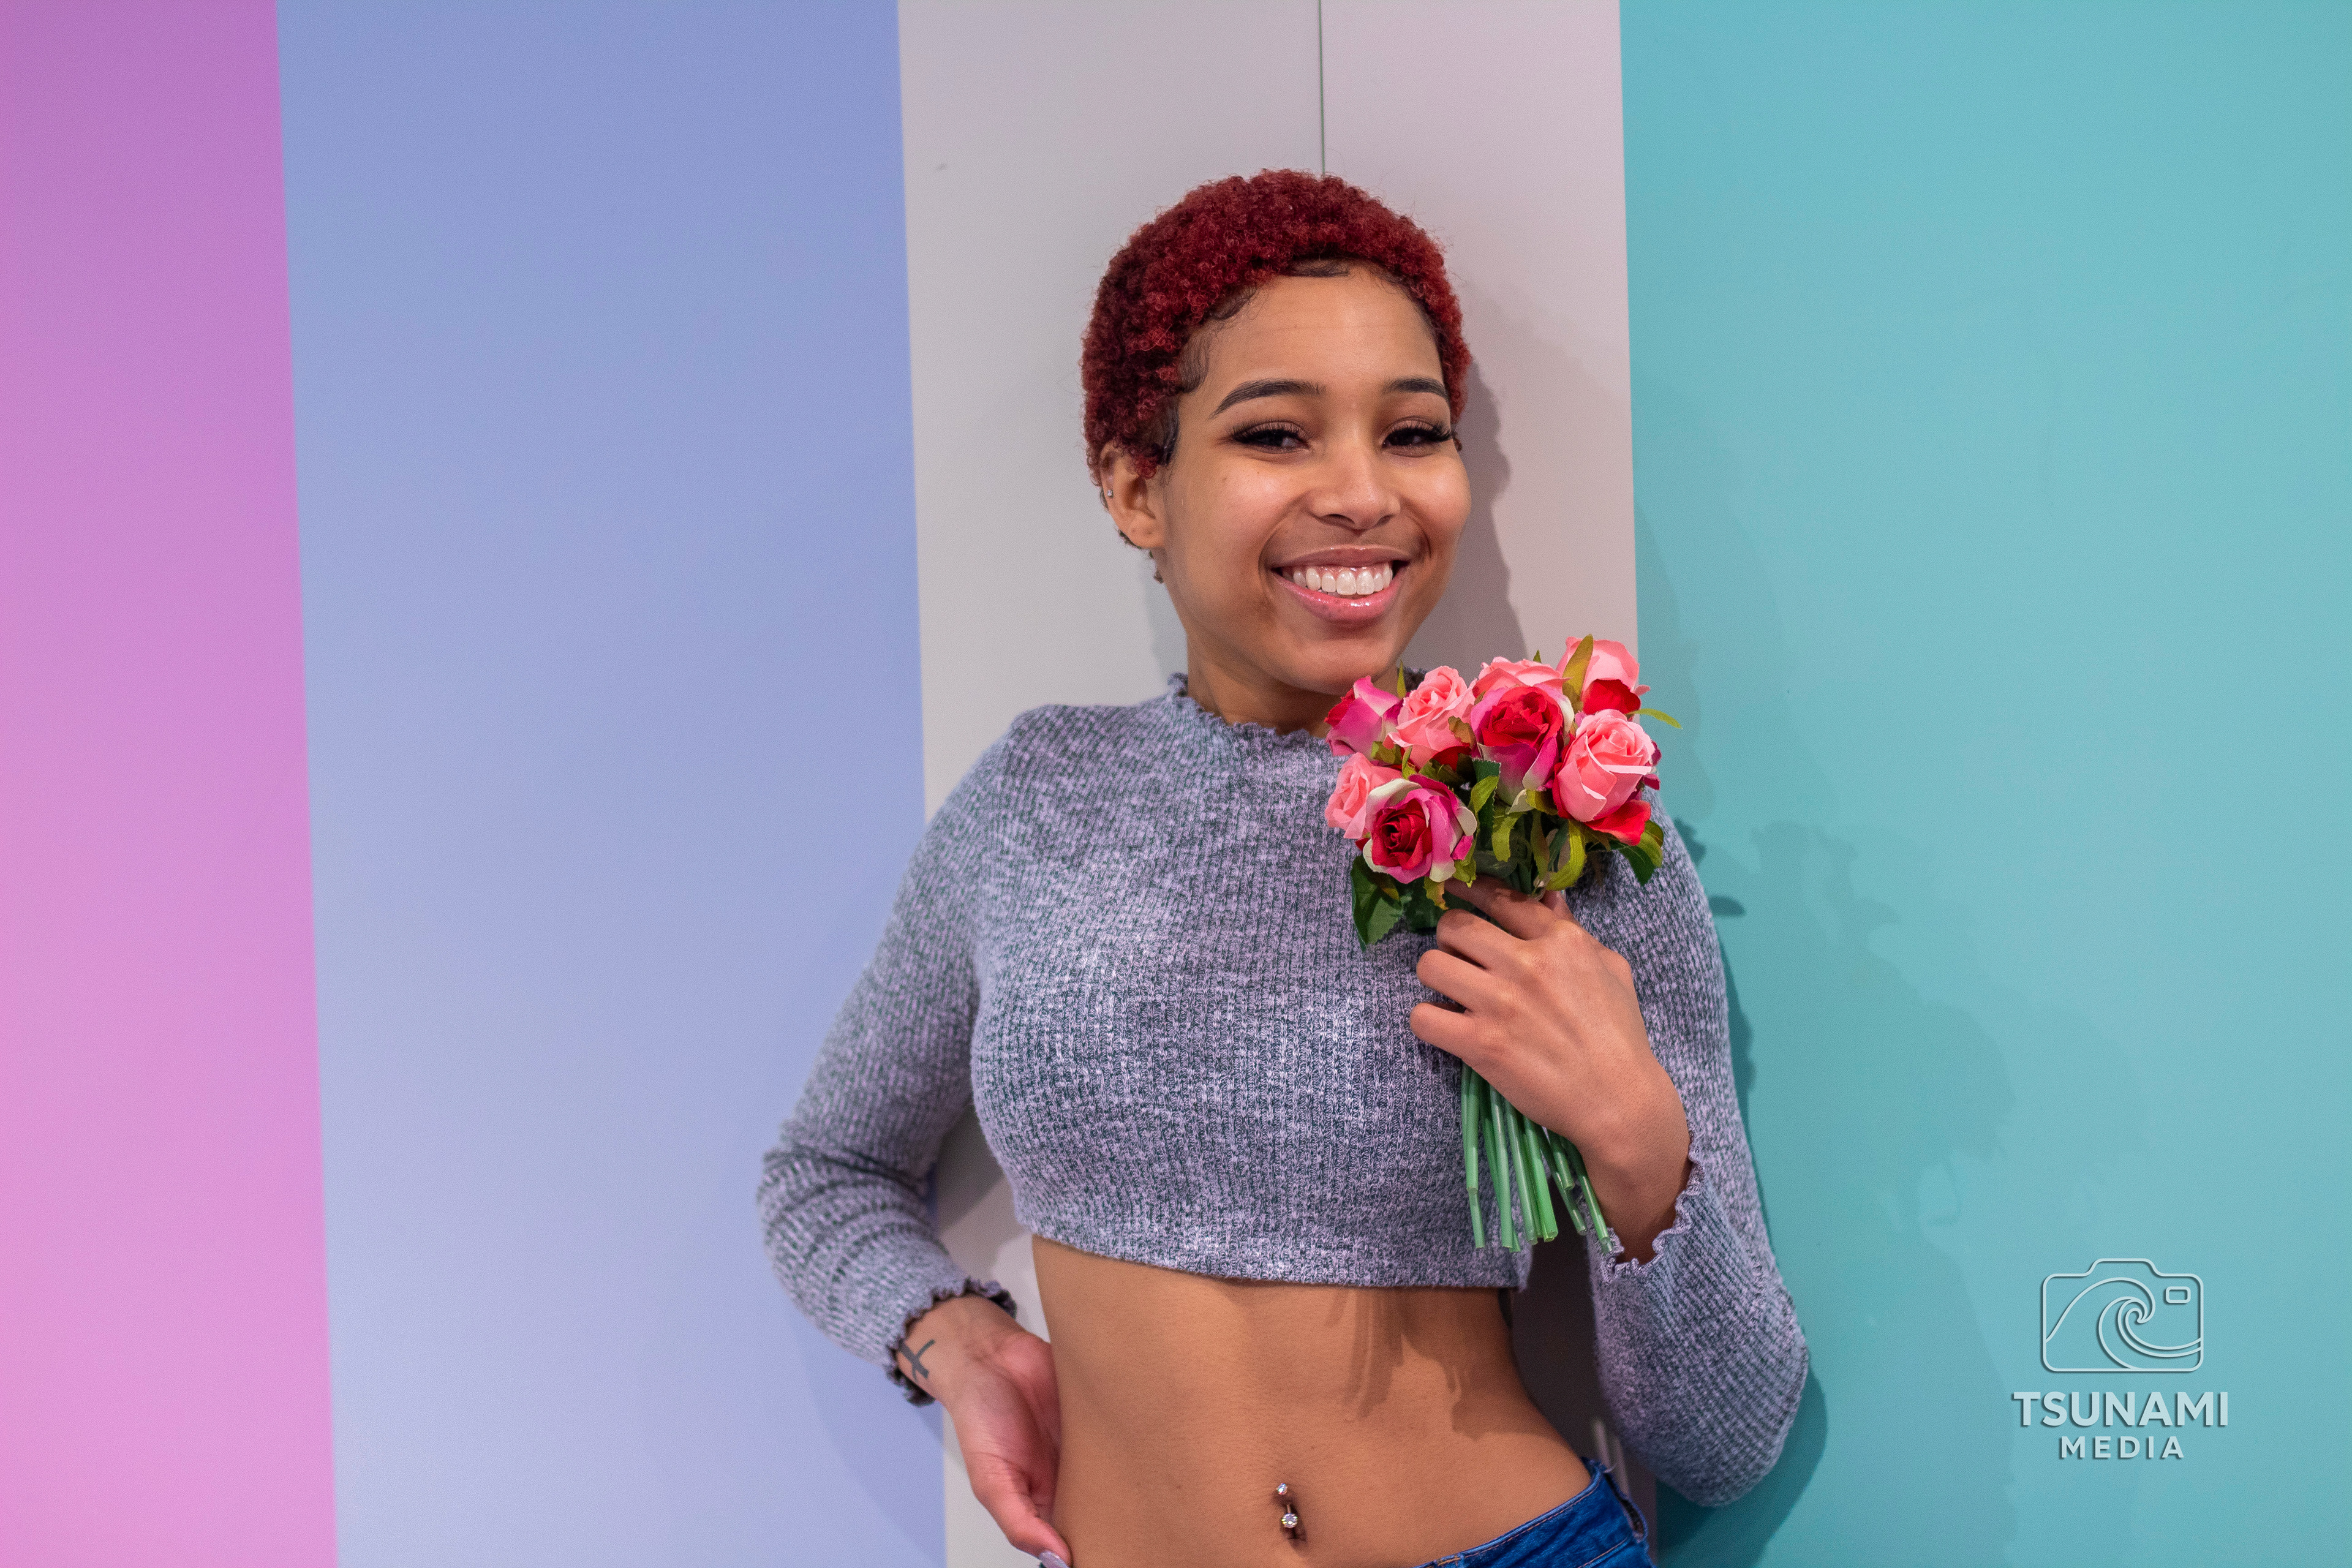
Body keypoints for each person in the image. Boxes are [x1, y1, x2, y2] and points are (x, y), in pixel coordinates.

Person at [761, 170, 1807, 1567]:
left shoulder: (1565, 817)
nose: (1363, 493)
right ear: (1137, 487)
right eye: (1274, 432)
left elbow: (1725, 1441)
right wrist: (952, 1339)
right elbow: (826, 1171)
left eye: (1413, 432)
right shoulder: (1038, 800)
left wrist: (1634, 1135)